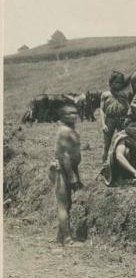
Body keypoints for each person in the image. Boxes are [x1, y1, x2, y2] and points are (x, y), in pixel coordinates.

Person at [48, 104, 82, 245]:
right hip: (61, 169)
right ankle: (67, 239)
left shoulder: (71, 130)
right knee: (63, 204)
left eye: (74, 113)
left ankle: (60, 236)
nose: (73, 115)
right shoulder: (64, 131)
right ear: (62, 117)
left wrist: (76, 174)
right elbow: (64, 156)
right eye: (69, 114)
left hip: (69, 169)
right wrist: (72, 176)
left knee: (68, 204)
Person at [101, 122, 136, 186]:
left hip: (132, 163)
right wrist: (135, 173)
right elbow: (119, 157)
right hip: (117, 166)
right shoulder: (122, 136)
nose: (135, 129)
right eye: (132, 126)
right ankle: (121, 178)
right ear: (125, 127)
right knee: (126, 151)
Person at [100, 71, 130, 163]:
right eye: (116, 82)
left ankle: (121, 162)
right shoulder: (105, 95)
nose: (118, 85)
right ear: (111, 82)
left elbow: (128, 107)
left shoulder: (124, 94)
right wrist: (103, 124)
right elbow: (101, 110)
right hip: (109, 120)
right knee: (107, 145)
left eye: (120, 83)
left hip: (122, 119)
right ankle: (104, 165)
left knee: (123, 141)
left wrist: (127, 120)